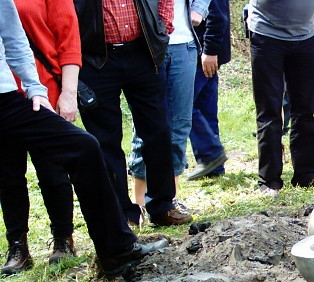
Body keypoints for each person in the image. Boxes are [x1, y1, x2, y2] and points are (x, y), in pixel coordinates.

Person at [0, 0, 168, 278]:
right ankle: (18, 245)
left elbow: (14, 38)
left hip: (8, 97)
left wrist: (34, 87)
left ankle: (117, 251)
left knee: (84, 147)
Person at [72, 0, 193, 227]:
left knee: (157, 130)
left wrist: (161, 29)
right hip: (95, 59)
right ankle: (122, 214)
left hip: (142, 52)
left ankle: (162, 205)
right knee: (105, 140)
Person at [0, 0, 81, 274]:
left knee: (53, 171)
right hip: (5, 98)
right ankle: (18, 246)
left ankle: (63, 239)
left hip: (43, 93)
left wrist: (68, 93)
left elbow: (69, 40)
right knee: (8, 175)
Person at [129, 0, 210, 205]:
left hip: (185, 45)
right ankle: (138, 204)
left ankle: (169, 200)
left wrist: (199, 9)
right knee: (145, 127)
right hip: (146, 44)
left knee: (179, 126)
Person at [247, 0, 314, 196]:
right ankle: (269, 180)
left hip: (306, 36)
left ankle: (306, 174)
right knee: (270, 110)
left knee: (305, 109)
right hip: (267, 37)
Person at [186, 0, 231, 181]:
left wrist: (210, 50)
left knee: (184, 105)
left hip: (202, 51)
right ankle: (214, 166)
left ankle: (211, 154)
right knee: (205, 108)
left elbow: (218, 13)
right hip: (202, 50)